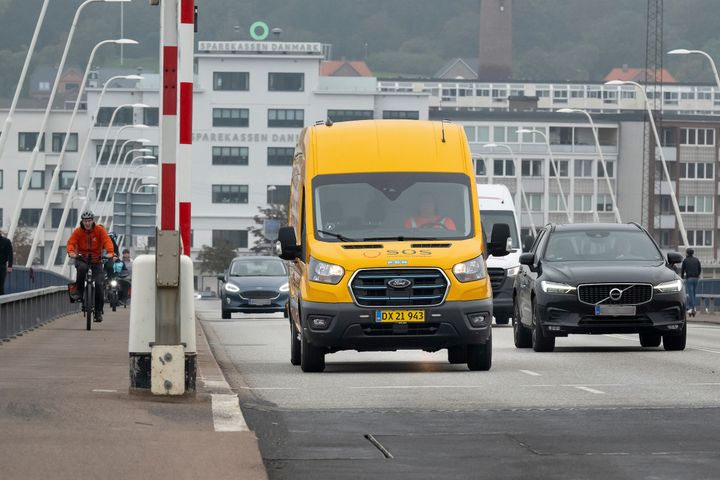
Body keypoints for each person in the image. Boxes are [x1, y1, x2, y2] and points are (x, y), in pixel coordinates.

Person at [66, 210, 117, 322]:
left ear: (93, 221)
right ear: (82, 222)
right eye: (85, 221)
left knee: (99, 284)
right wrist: (71, 252)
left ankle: (98, 312)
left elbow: (107, 241)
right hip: (82, 258)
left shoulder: (99, 230)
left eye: (89, 221)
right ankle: (79, 291)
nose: (87, 223)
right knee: (82, 268)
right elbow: (71, 242)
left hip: (96, 260)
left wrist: (109, 253)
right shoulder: (78, 232)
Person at [681, 247, 701, 317]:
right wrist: (698, 275)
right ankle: (691, 308)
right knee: (694, 294)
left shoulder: (685, 260)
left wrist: (682, 278)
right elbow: (699, 268)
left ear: (687, 253)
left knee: (690, 294)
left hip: (689, 278)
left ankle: (692, 308)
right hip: (696, 278)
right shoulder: (696, 260)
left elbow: (682, 270)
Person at [0, 230, 13, 295]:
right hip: (2, 266)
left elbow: (10, 254)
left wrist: (10, 266)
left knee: (0, 286)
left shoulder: (6, 241)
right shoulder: (6, 241)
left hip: (1, 266)